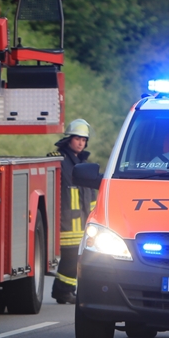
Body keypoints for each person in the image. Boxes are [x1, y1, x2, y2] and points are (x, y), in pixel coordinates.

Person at [48, 118, 99, 304]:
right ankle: (63, 291)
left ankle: (64, 290)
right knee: (70, 259)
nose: (80, 143)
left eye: (84, 140)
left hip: (81, 223)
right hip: (66, 222)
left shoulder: (83, 163)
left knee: (75, 258)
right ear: (68, 139)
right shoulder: (58, 160)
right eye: (77, 138)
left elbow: (90, 195)